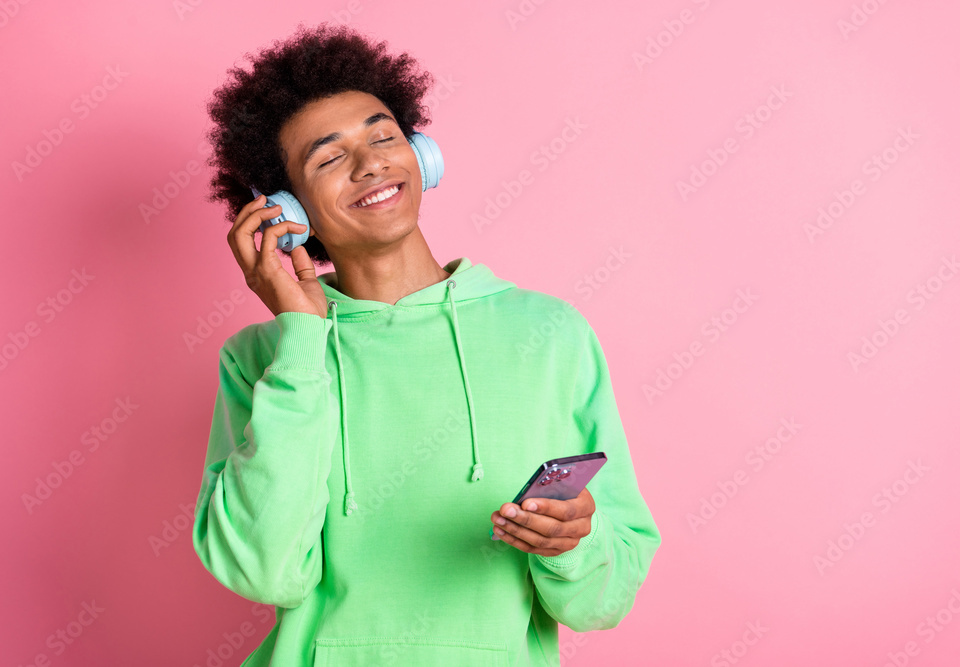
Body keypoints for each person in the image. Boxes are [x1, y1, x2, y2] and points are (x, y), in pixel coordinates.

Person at [191, 21, 661, 666]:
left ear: (421, 154)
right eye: (328, 158)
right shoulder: (260, 359)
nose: (370, 164)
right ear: (285, 211)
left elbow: (603, 602)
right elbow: (265, 572)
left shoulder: (550, 332)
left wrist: (572, 545)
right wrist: (301, 339)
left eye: (383, 136)